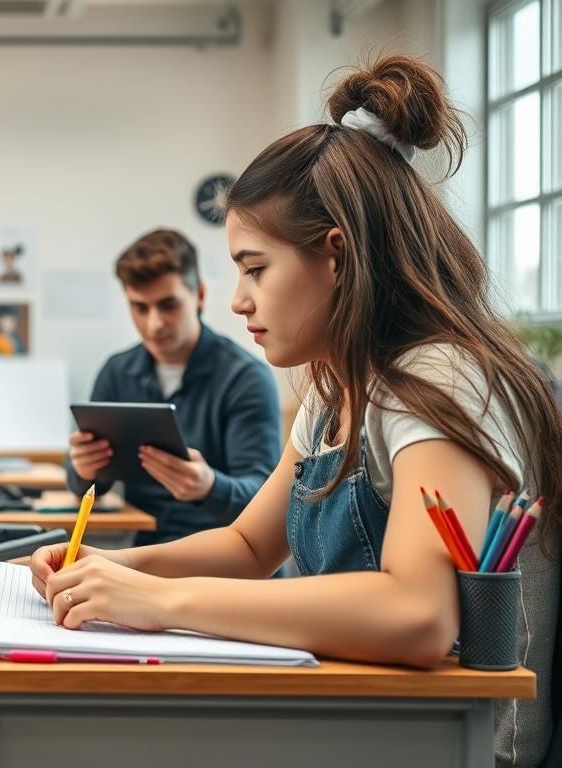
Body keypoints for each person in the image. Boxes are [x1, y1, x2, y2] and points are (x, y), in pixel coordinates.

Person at [31, 56, 562, 766]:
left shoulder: (437, 380)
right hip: (364, 717)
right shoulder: (335, 384)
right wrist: (111, 570)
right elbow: (250, 547)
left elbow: (418, 616)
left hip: (449, 743)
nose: (238, 299)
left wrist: (158, 602)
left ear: (336, 258)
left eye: (255, 268)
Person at [66, 228, 280, 544]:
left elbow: (266, 504)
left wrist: (209, 487)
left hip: (229, 564)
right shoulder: (116, 372)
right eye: (140, 308)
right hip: (147, 555)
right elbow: (81, 487)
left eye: (168, 305)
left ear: (200, 296)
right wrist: (83, 468)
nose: (154, 323)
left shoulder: (245, 378)